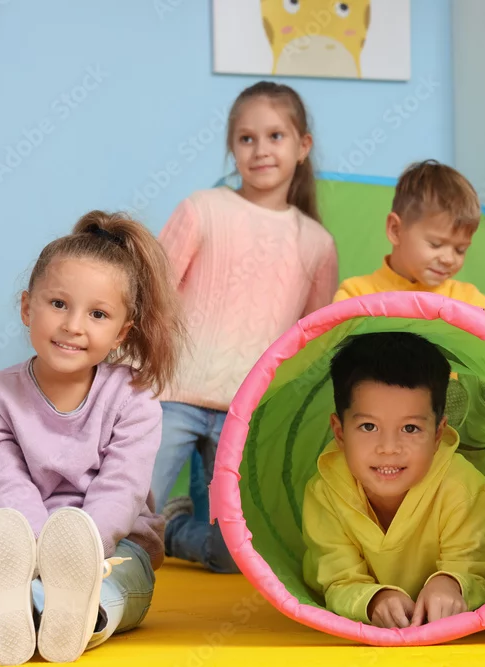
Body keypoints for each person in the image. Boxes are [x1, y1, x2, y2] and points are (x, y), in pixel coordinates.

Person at [0, 211, 186, 664]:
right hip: (20, 550)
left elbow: (121, 489)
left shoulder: (134, 398)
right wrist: (39, 557)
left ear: (122, 332)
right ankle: (17, 613)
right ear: (28, 307)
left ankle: (74, 615)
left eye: (98, 314)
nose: (73, 325)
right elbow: (3, 485)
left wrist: (78, 556)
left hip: (113, 549)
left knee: (111, 589)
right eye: (59, 304)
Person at [150, 81, 339, 574]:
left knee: (234, 555)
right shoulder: (202, 209)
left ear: (302, 146)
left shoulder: (317, 244)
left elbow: (310, 344)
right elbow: (152, 292)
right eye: (246, 138)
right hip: (172, 395)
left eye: (275, 136)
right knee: (124, 518)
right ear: (232, 147)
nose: (260, 150)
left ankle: (173, 528)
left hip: (245, 413)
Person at [333, 159, 485, 476]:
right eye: (436, 244)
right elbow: (334, 378)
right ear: (395, 230)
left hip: (456, 459)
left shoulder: (471, 302)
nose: (448, 258)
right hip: (381, 455)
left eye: (460, 249)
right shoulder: (357, 295)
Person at [302, 332, 485, 628]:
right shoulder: (326, 490)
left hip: (451, 485)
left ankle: (478, 427)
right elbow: (336, 578)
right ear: (339, 432)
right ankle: (474, 429)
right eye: (368, 426)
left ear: (438, 434)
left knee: (461, 471)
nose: (389, 448)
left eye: (410, 429)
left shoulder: (465, 491)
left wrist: (451, 584)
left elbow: (479, 571)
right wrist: (374, 599)